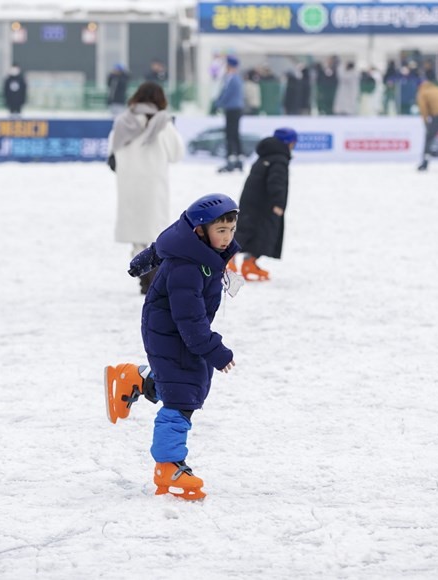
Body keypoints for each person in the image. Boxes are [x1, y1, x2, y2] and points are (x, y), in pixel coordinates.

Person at [103, 193, 241, 500]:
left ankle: (136, 378)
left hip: (177, 329)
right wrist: (214, 349)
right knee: (182, 397)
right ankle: (168, 466)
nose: (227, 237)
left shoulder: (201, 252)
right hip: (169, 331)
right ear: (200, 231)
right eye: (221, 230)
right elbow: (189, 319)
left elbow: (160, 248)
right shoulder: (188, 268)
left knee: (186, 383)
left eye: (231, 230)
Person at [108, 82, 185, 294]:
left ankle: (143, 277)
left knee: (137, 233)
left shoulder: (122, 122)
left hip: (129, 185)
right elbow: (176, 154)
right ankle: (153, 277)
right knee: (154, 232)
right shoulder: (163, 123)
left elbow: (112, 151)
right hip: (153, 185)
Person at [228, 127, 297, 281]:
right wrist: (278, 203)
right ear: (288, 143)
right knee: (255, 232)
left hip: (252, 201)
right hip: (264, 204)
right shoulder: (279, 159)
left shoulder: (267, 155)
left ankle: (249, 262)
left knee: (254, 232)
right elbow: (276, 182)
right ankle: (229, 259)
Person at [213, 55, 244, 173]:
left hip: (233, 109)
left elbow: (227, 94)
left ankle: (232, 159)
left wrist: (218, 103)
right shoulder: (230, 78)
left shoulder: (233, 79)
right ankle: (237, 159)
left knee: (231, 134)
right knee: (233, 134)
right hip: (233, 109)